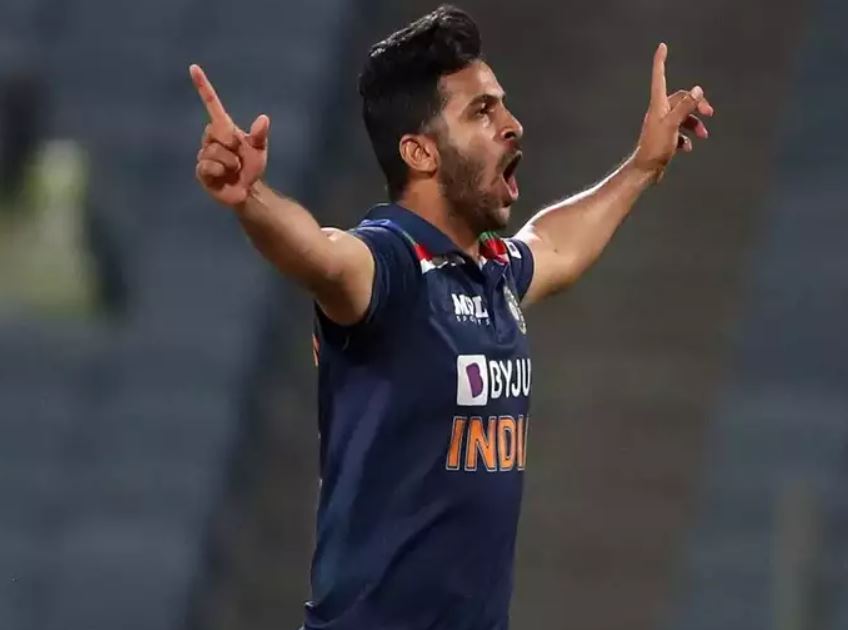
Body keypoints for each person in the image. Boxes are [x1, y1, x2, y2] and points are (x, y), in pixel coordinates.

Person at [190, 5, 713, 629]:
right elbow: (321, 257)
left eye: (503, 106)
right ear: (420, 152)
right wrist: (252, 200)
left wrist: (644, 165)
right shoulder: (392, 262)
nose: (512, 125)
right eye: (482, 112)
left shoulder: (493, 270)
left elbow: (556, 248)